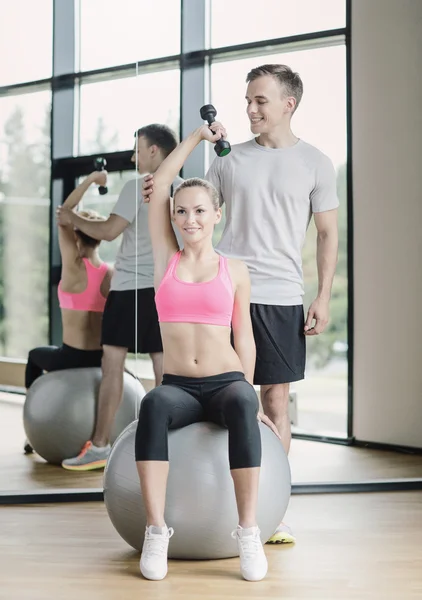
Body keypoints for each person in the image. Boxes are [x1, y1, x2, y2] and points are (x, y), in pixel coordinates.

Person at [143, 64, 339, 544]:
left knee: (274, 401)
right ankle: (199, 505)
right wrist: (161, 193)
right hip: (223, 290)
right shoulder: (229, 160)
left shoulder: (316, 162)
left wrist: (323, 295)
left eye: (260, 101)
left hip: (281, 296)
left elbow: (328, 232)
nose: (250, 108)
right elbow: (200, 210)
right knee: (213, 394)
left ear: (288, 104)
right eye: (247, 100)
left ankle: (272, 508)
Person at [135, 124, 281, 582]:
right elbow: (159, 183)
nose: (189, 219)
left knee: (242, 402)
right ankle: (157, 530)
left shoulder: (234, 270)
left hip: (225, 382)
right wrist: (198, 137)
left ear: (217, 213)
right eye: (181, 212)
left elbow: (246, 338)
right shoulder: (166, 259)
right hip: (178, 386)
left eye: (199, 210)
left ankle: (249, 531)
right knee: (152, 403)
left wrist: (251, 393)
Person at [56, 124, 183, 471]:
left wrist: (73, 219)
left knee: (112, 368)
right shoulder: (184, 190)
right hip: (163, 290)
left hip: (127, 289)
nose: (133, 157)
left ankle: (99, 445)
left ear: (155, 151)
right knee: (164, 371)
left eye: (137, 149)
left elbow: (109, 232)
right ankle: (169, 445)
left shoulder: (137, 185)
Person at [24, 171, 113, 453]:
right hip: (101, 357)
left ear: (76, 235)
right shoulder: (110, 273)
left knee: (33, 356)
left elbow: (64, 212)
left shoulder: (73, 267)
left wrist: (89, 180)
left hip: (71, 356)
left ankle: (34, 427)